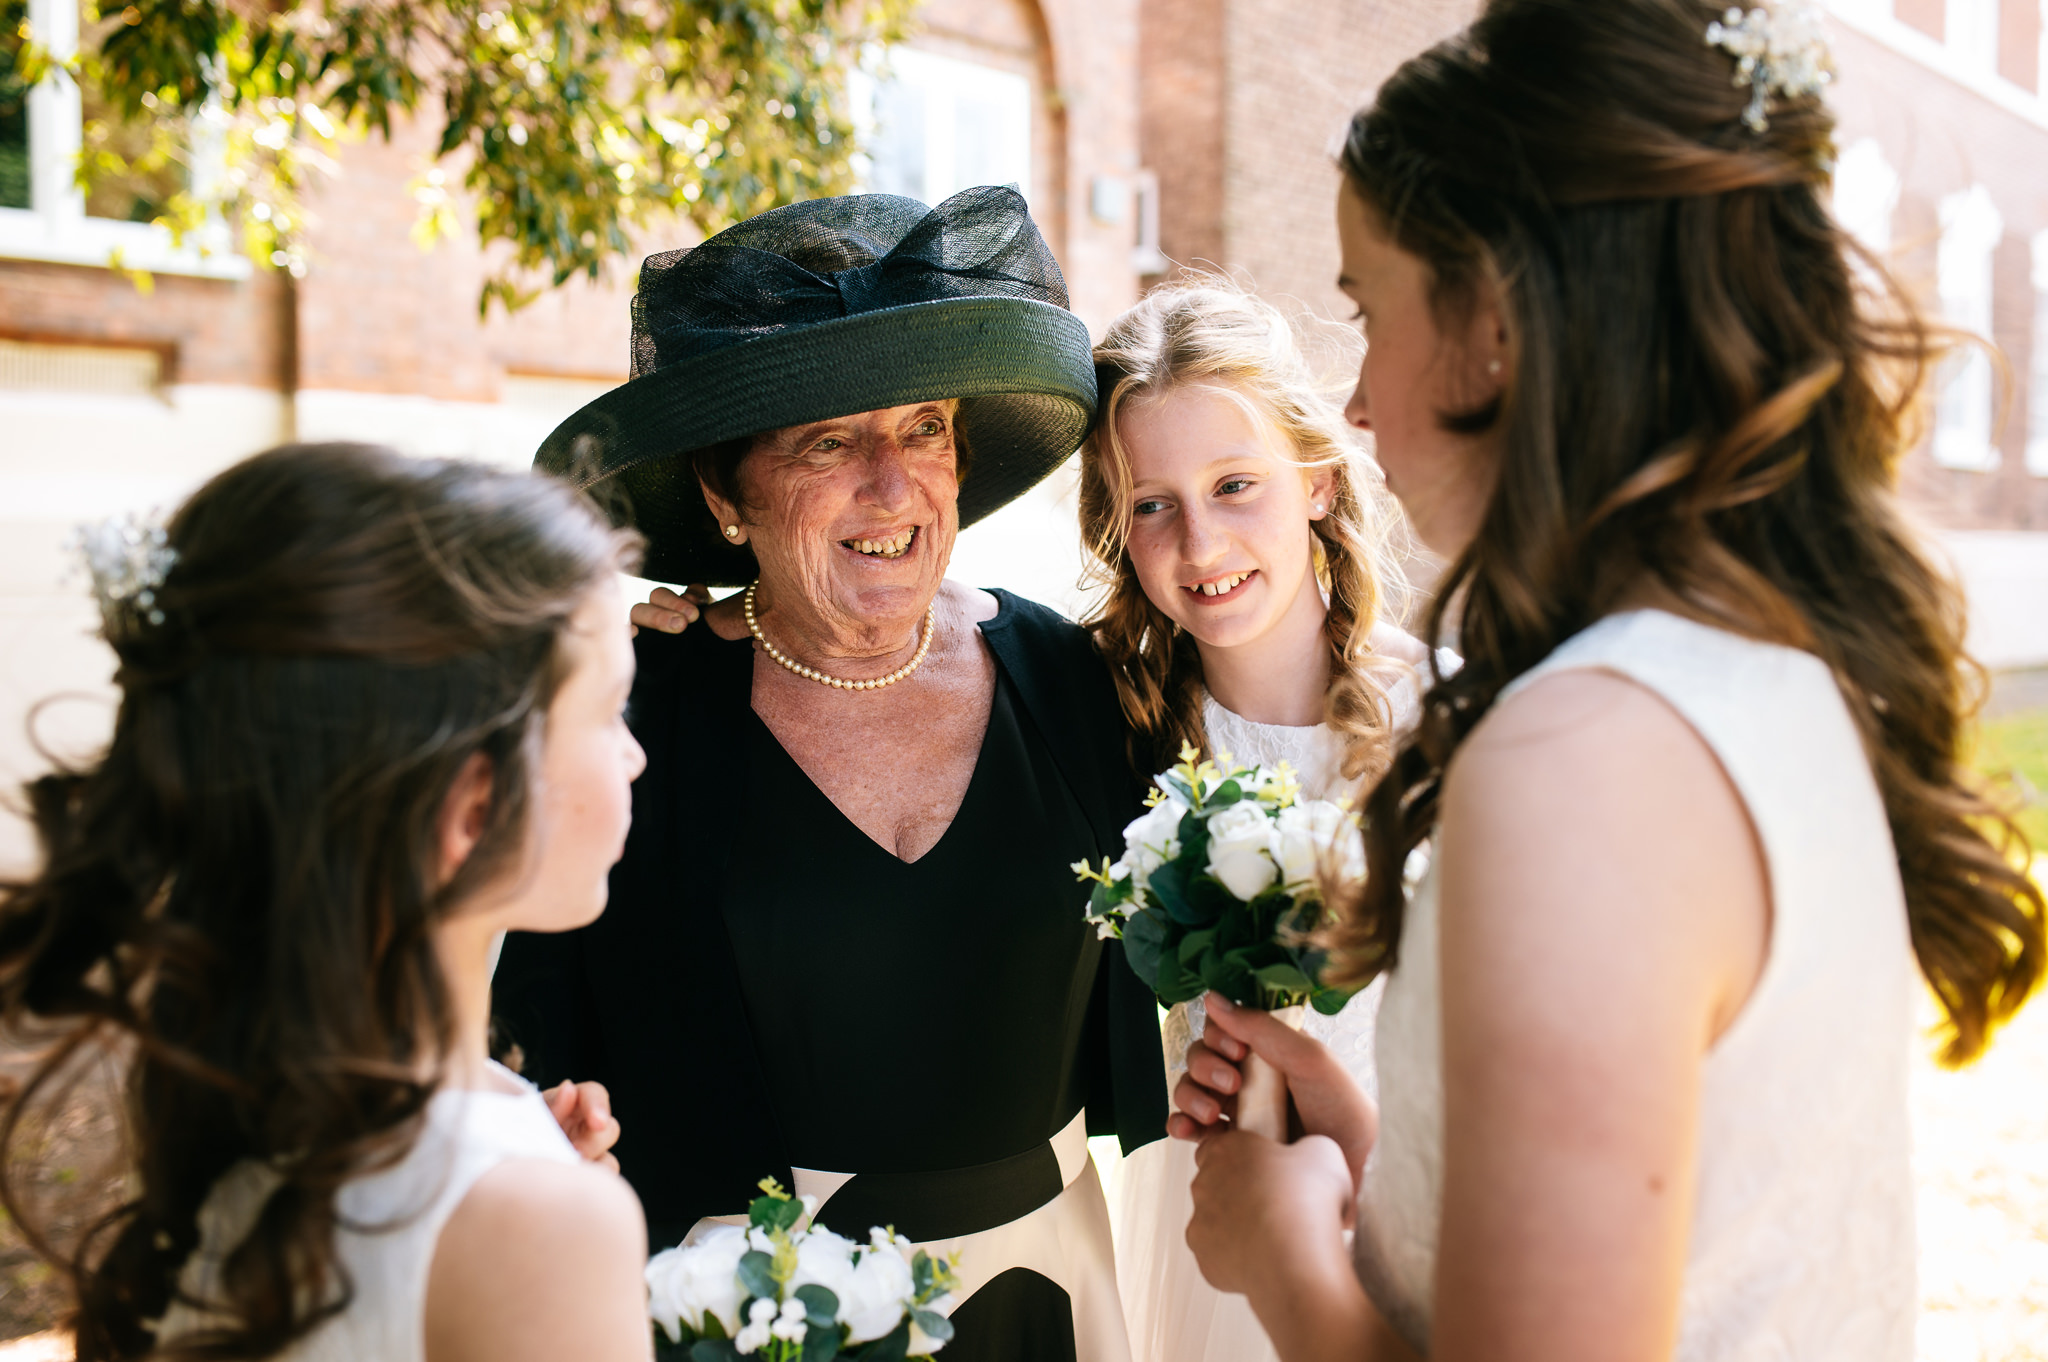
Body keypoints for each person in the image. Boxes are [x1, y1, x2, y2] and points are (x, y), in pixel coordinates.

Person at [1171, 2, 2047, 1360]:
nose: (1355, 404)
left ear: (1492, 323)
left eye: (1367, 309)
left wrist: (1284, 1257)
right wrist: (1383, 1166)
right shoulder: (1758, 667)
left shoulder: (1579, 759)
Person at [497, 185, 1167, 1362]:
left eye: (923, 429)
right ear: (725, 497)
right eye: (826, 442)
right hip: (750, 1309)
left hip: (1047, 1297)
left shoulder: (1070, 681)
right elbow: (517, 1048)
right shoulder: (636, 721)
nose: (891, 483)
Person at [0, 444, 652, 1362]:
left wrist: (514, 1168)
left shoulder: (259, 1094)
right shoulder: (541, 1223)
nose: (635, 755)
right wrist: (533, 1221)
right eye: (611, 712)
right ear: (475, 806)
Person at [1071, 279, 1436, 1362]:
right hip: (1217, 1222)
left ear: (1316, 481)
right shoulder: (1112, 728)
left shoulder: (1450, 723)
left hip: (1420, 1203)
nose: (1199, 542)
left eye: (1235, 485)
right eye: (1151, 504)